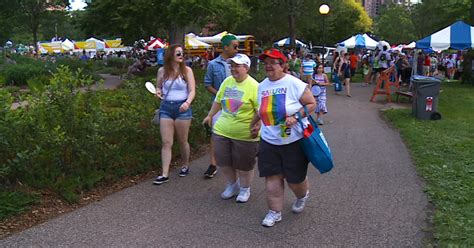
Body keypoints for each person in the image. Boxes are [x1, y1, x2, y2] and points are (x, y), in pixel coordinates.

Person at [249, 48, 316, 227]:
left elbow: (311, 104)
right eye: (266, 63)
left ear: (283, 65)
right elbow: (262, 109)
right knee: (272, 177)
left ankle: (302, 195)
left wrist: (296, 117)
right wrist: (255, 123)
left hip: (293, 141)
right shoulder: (262, 86)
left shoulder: (294, 83)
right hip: (269, 141)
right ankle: (274, 212)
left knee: (295, 180)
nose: (268, 66)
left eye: (273, 62)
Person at [202, 54, 259, 203]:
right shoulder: (227, 82)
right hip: (222, 130)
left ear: (246, 68)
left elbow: (260, 111)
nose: (233, 69)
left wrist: (257, 125)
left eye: (237, 66)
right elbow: (218, 101)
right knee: (223, 161)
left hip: (244, 133)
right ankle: (232, 185)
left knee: (244, 164)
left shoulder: (254, 86)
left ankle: (245, 188)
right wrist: (210, 115)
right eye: (231, 66)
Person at [153, 44, 196, 185]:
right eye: (178, 53)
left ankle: (185, 164)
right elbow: (158, 87)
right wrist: (158, 92)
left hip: (182, 107)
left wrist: (187, 103)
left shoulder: (187, 71)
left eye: (182, 53)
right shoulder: (162, 71)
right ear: (170, 55)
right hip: (166, 107)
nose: (181, 56)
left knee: (182, 140)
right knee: (166, 142)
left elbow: (192, 90)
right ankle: (164, 173)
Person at [203, 34, 239, 178]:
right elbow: (207, 84)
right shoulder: (213, 64)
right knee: (215, 133)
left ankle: (235, 160)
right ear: (225, 47)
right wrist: (220, 95)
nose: (237, 49)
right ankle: (213, 163)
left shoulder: (239, 63)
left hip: (237, 104)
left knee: (236, 132)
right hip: (220, 105)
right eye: (235, 46)